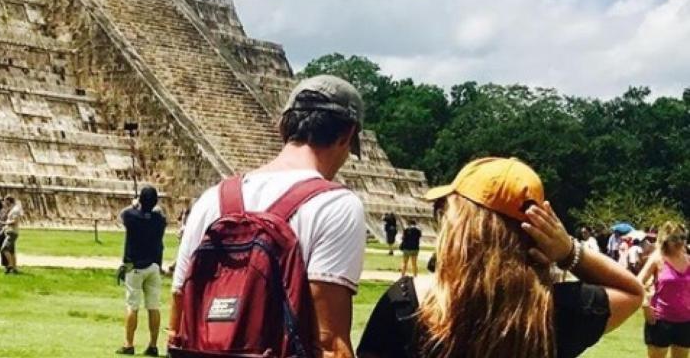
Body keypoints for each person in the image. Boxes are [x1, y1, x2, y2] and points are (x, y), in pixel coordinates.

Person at [357, 157, 644, 358]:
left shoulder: (406, 302)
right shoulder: (557, 310)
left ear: (461, 226)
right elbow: (631, 292)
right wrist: (568, 251)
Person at [170, 75, 366, 358]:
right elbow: (329, 341)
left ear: (282, 127)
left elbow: (178, 321)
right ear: (347, 135)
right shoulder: (335, 205)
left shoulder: (213, 199)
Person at [117, 186, 167, 356]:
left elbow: (121, 215)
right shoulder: (159, 220)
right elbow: (160, 213)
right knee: (154, 307)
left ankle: (128, 344)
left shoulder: (131, 216)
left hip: (135, 267)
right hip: (153, 266)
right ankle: (153, 345)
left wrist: (134, 205)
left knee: (132, 306)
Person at [638, 222, 690, 358]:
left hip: (685, 321)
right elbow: (637, 283)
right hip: (660, 320)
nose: (679, 242)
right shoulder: (657, 259)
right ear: (665, 240)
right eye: (674, 238)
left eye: (682, 237)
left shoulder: (689, 260)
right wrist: (645, 305)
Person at [1, 195, 22, 274]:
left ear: (9, 201)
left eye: (5, 201)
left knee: (4, 249)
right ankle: (15, 268)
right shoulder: (12, 209)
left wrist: (4, 223)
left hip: (12, 232)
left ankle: (10, 265)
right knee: (12, 252)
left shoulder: (15, 210)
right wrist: (4, 228)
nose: (4, 203)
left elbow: (15, 221)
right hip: (10, 231)